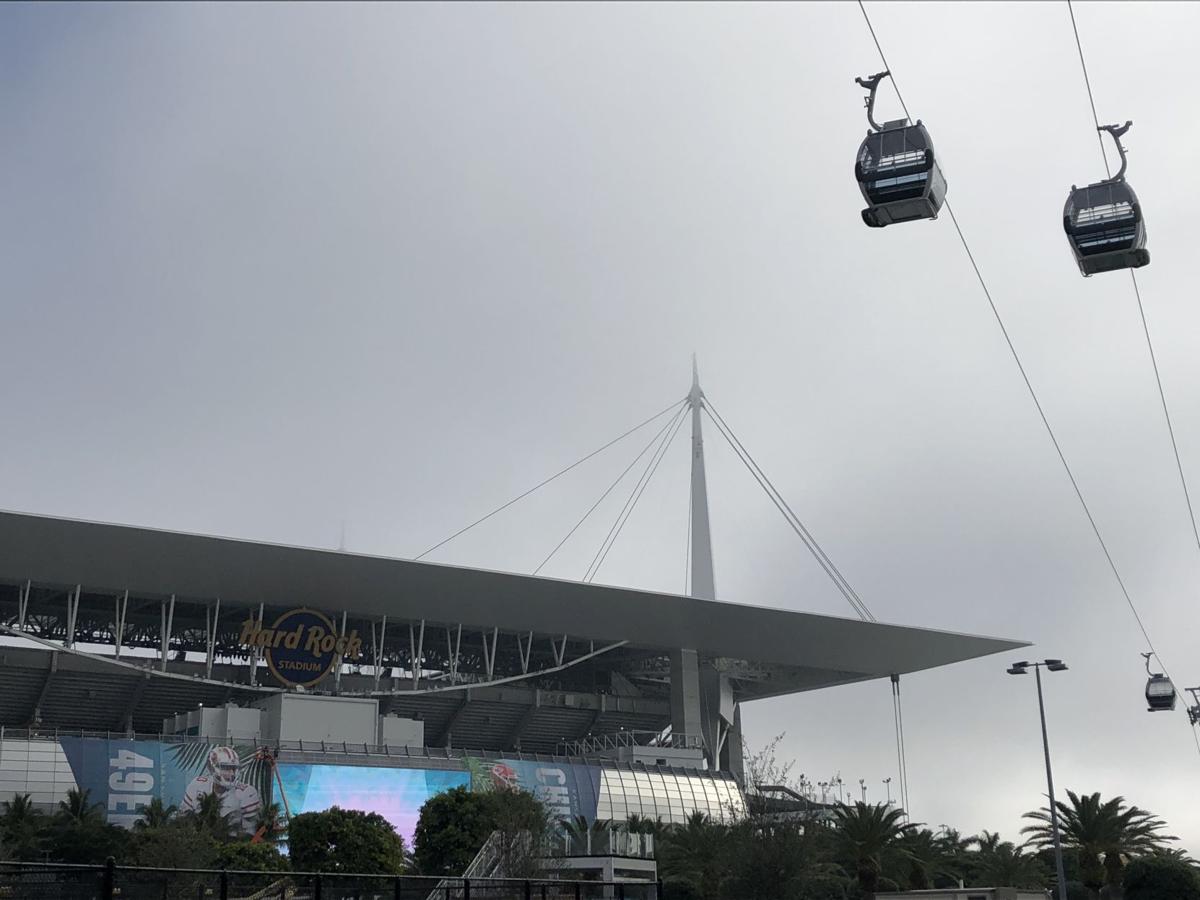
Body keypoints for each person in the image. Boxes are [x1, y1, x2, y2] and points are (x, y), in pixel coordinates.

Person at [179, 745, 261, 835]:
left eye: (233, 768)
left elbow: (251, 834)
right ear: (211, 768)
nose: (232, 773)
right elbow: (183, 819)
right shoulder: (197, 785)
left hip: (231, 845)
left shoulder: (247, 793)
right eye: (226, 768)